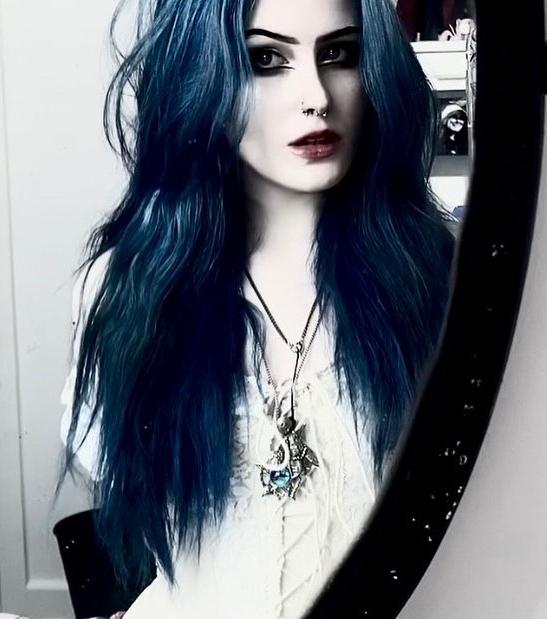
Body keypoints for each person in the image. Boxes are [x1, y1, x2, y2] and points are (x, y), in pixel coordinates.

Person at [58, 0, 455, 617]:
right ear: (203, 74)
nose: (316, 96)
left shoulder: (438, 275)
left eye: (339, 54)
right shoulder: (122, 289)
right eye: (266, 60)